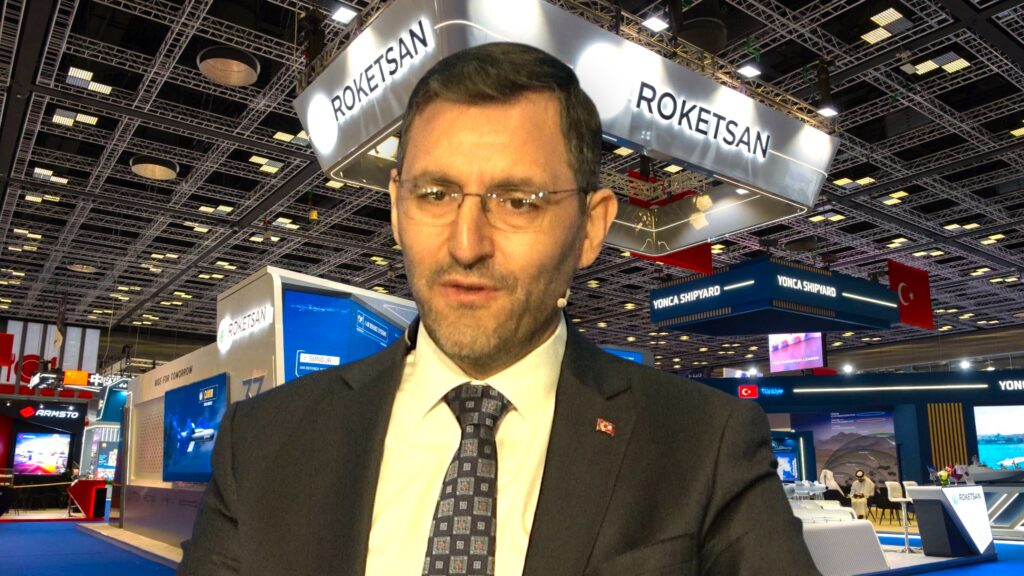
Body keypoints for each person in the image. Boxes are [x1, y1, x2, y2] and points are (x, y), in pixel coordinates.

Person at [177, 43, 819, 576]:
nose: (466, 244)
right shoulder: (263, 442)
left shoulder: (702, 445)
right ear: (397, 207)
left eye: (518, 201)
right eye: (436, 194)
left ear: (591, 227)